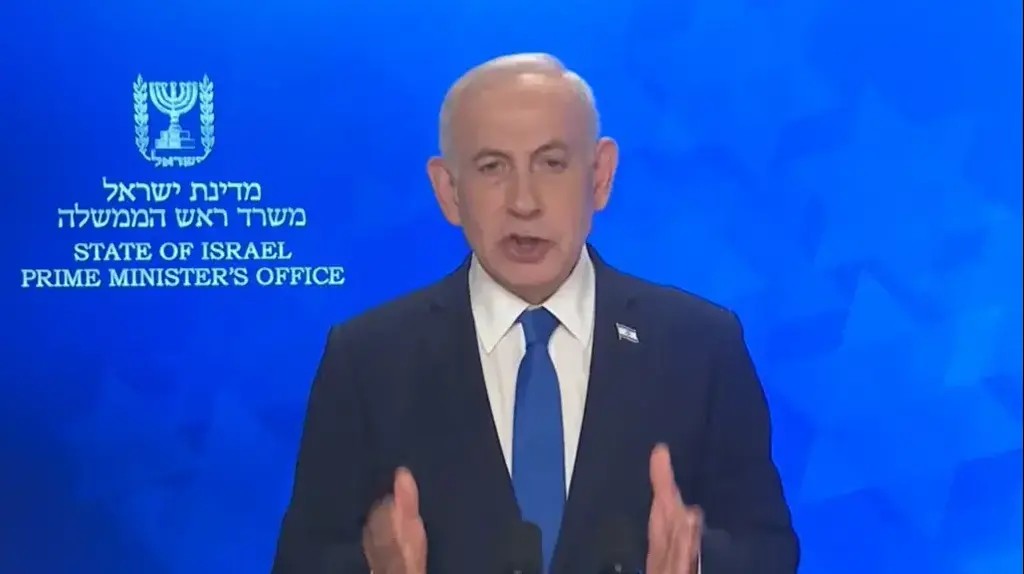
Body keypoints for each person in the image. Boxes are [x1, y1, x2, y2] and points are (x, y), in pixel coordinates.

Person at [271, 53, 798, 574]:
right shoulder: (367, 359)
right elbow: (303, 561)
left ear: (600, 176)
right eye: (492, 167)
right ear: (448, 191)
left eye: (551, 163)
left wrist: (698, 564)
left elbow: (769, 551)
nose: (524, 202)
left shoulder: (700, 345)